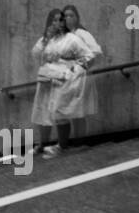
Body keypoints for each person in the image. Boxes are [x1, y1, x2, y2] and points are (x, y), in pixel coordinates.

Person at [30, 8, 94, 157]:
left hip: (62, 81)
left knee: (60, 112)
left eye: (61, 19)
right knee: (42, 110)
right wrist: (46, 38)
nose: (58, 23)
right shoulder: (46, 39)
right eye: (54, 20)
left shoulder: (71, 38)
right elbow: (36, 54)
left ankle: (62, 146)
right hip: (46, 80)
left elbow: (88, 56)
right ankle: (42, 144)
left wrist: (72, 70)